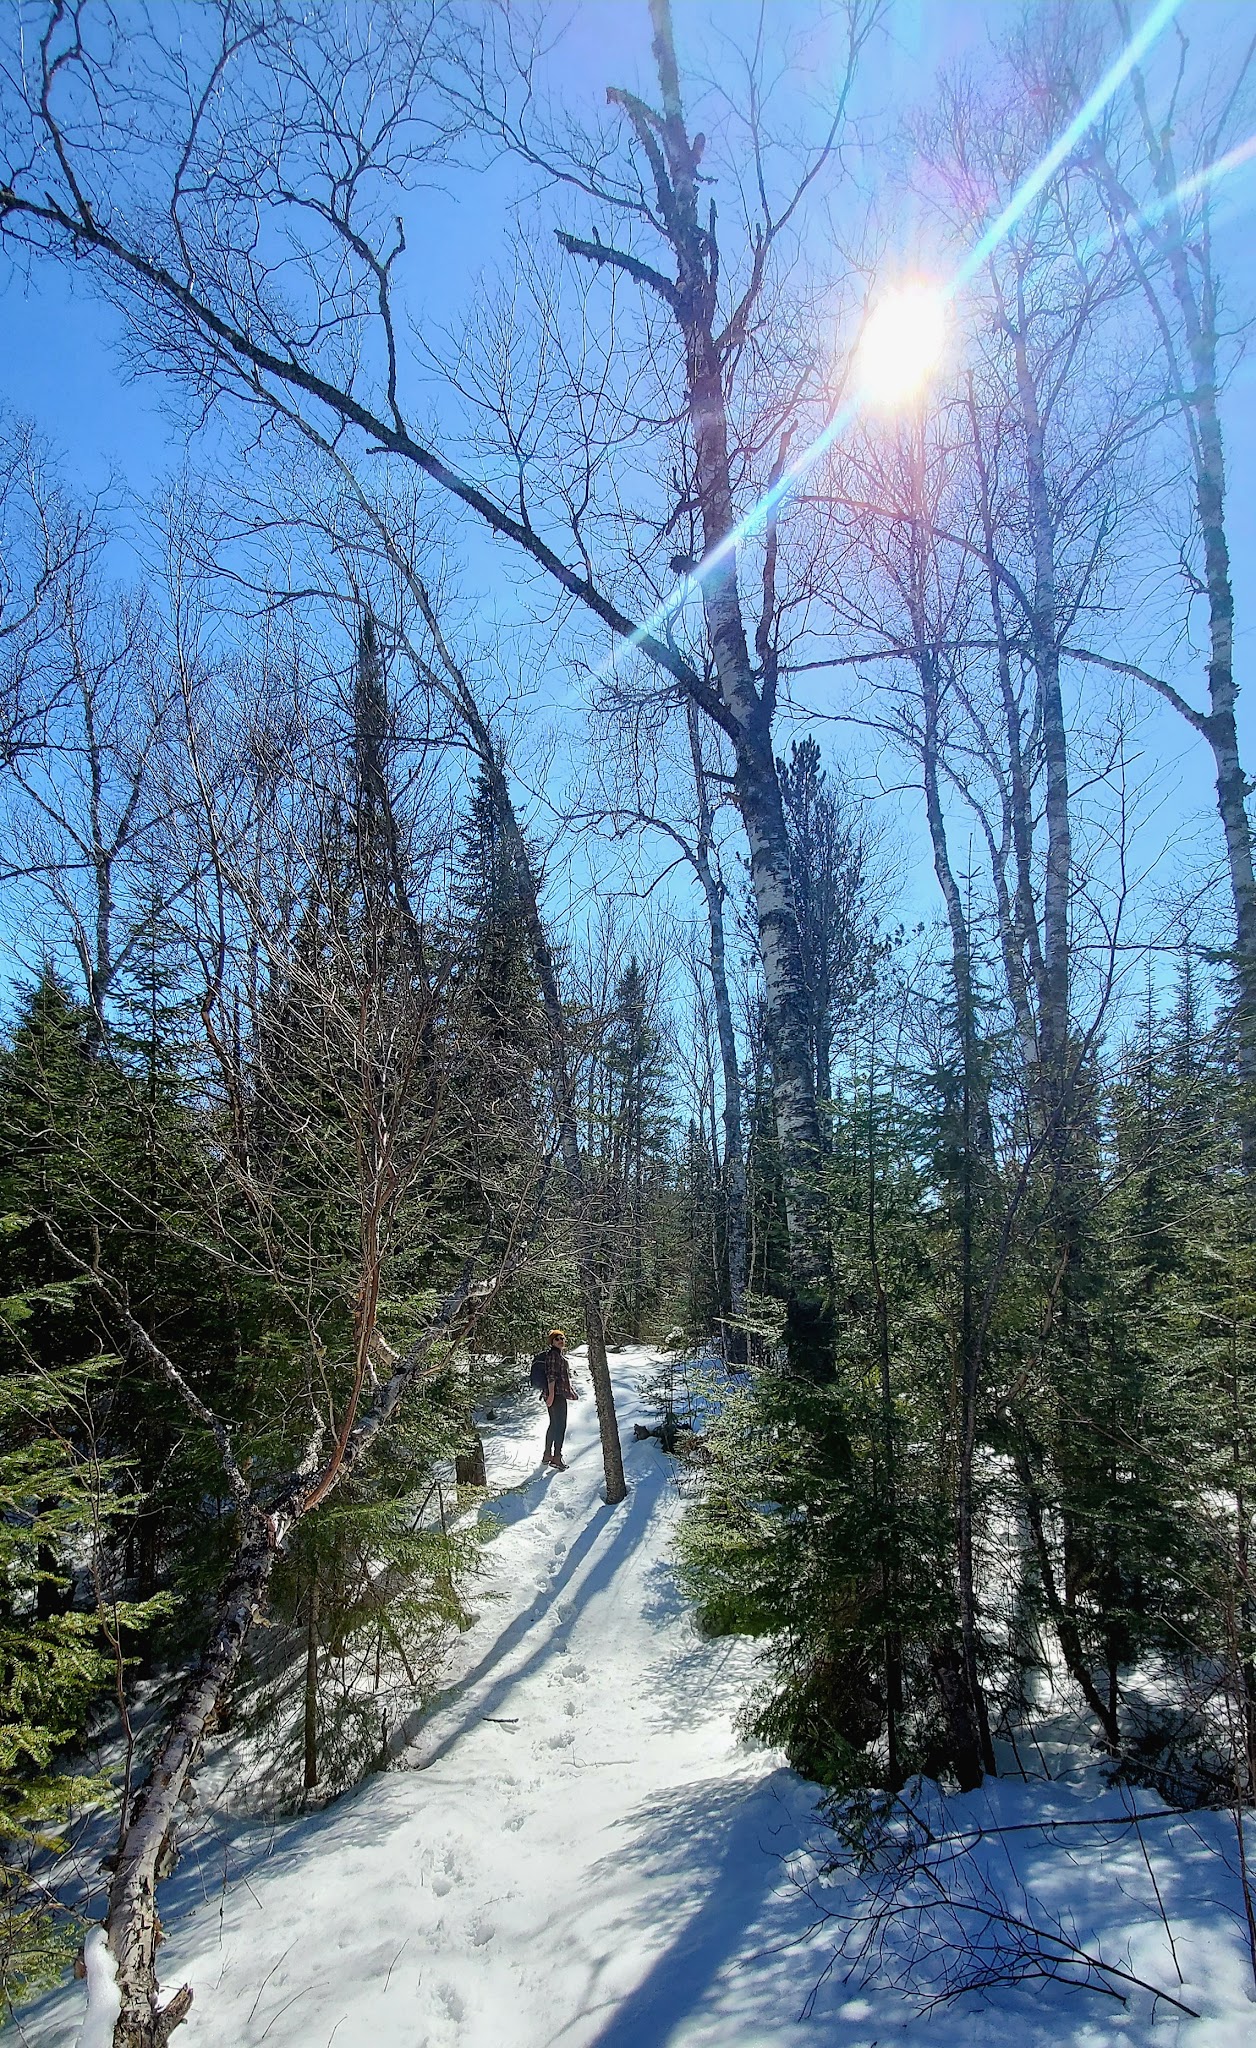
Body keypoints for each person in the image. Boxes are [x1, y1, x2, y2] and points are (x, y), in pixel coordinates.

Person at [533, 1328, 578, 1471]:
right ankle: (556, 1457)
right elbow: (551, 1376)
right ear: (552, 1342)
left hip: (557, 1394)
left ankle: (547, 1455)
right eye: (557, 1339)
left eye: (562, 1338)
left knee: (554, 1424)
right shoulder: (553, 1355)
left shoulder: (559, 1356)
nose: (560, 1341)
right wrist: (551, 1395)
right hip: (555, 1396)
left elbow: (561, 1378)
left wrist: (571, 1392)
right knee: (560, 1426)